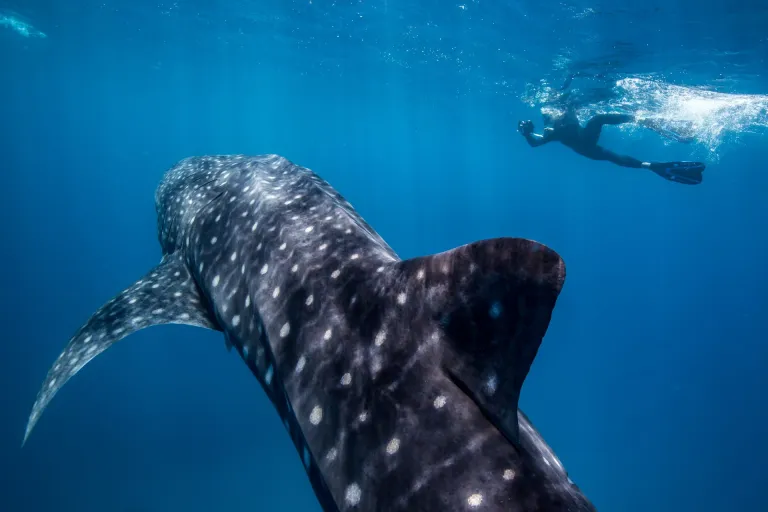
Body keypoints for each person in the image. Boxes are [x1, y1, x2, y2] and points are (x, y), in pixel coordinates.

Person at [517, 110, 705, 185]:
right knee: (611, 154)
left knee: (598, 119)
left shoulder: (564, 108)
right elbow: (536, 142)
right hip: (586, 149)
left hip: (586, 139)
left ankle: (642, 121)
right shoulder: (553, 130)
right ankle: (654, 166)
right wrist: (527, 134)